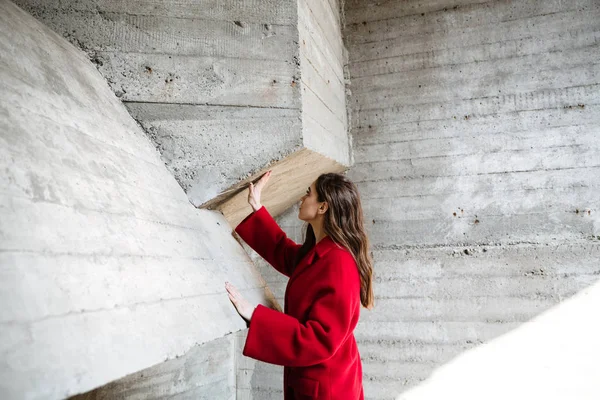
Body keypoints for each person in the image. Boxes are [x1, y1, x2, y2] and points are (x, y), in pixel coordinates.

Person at [225, 170, 374, 400]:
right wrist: (257, 206)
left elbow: (321, 339)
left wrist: (255, 315)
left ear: (323, 207)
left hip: (328, 389)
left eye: (308, 194)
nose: (301, 199)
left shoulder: (339, 263)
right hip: (319, 380)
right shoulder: (323, 251)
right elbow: (286, 254)